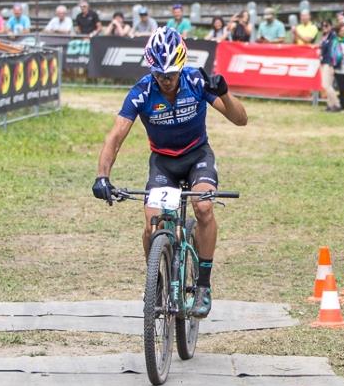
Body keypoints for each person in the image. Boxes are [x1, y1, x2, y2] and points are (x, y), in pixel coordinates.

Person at [92, 27, 248, 318]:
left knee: (203, 208)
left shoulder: (195, 81)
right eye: (160, 74)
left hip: (197, 156)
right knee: (152, 222)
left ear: (181, 67)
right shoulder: (142, 92)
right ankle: (157, 282)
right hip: (163, 162)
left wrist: (224, 94)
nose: (166, 81)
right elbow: (115, 137)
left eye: (171, 74)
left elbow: (241, 120)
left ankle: (203, 285)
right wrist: (103, 176)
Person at [318, 18, 341, 112]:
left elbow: (333, 52)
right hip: (323, 62)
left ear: (331, 26)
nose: (324, 28)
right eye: (322, 26)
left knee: (326, 84)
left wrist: (332, 65)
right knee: (328, 85)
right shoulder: (324, 37)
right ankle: (330, 105)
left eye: (326, 25)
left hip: (329, 63)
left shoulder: (333, 37)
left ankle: (337, 104)